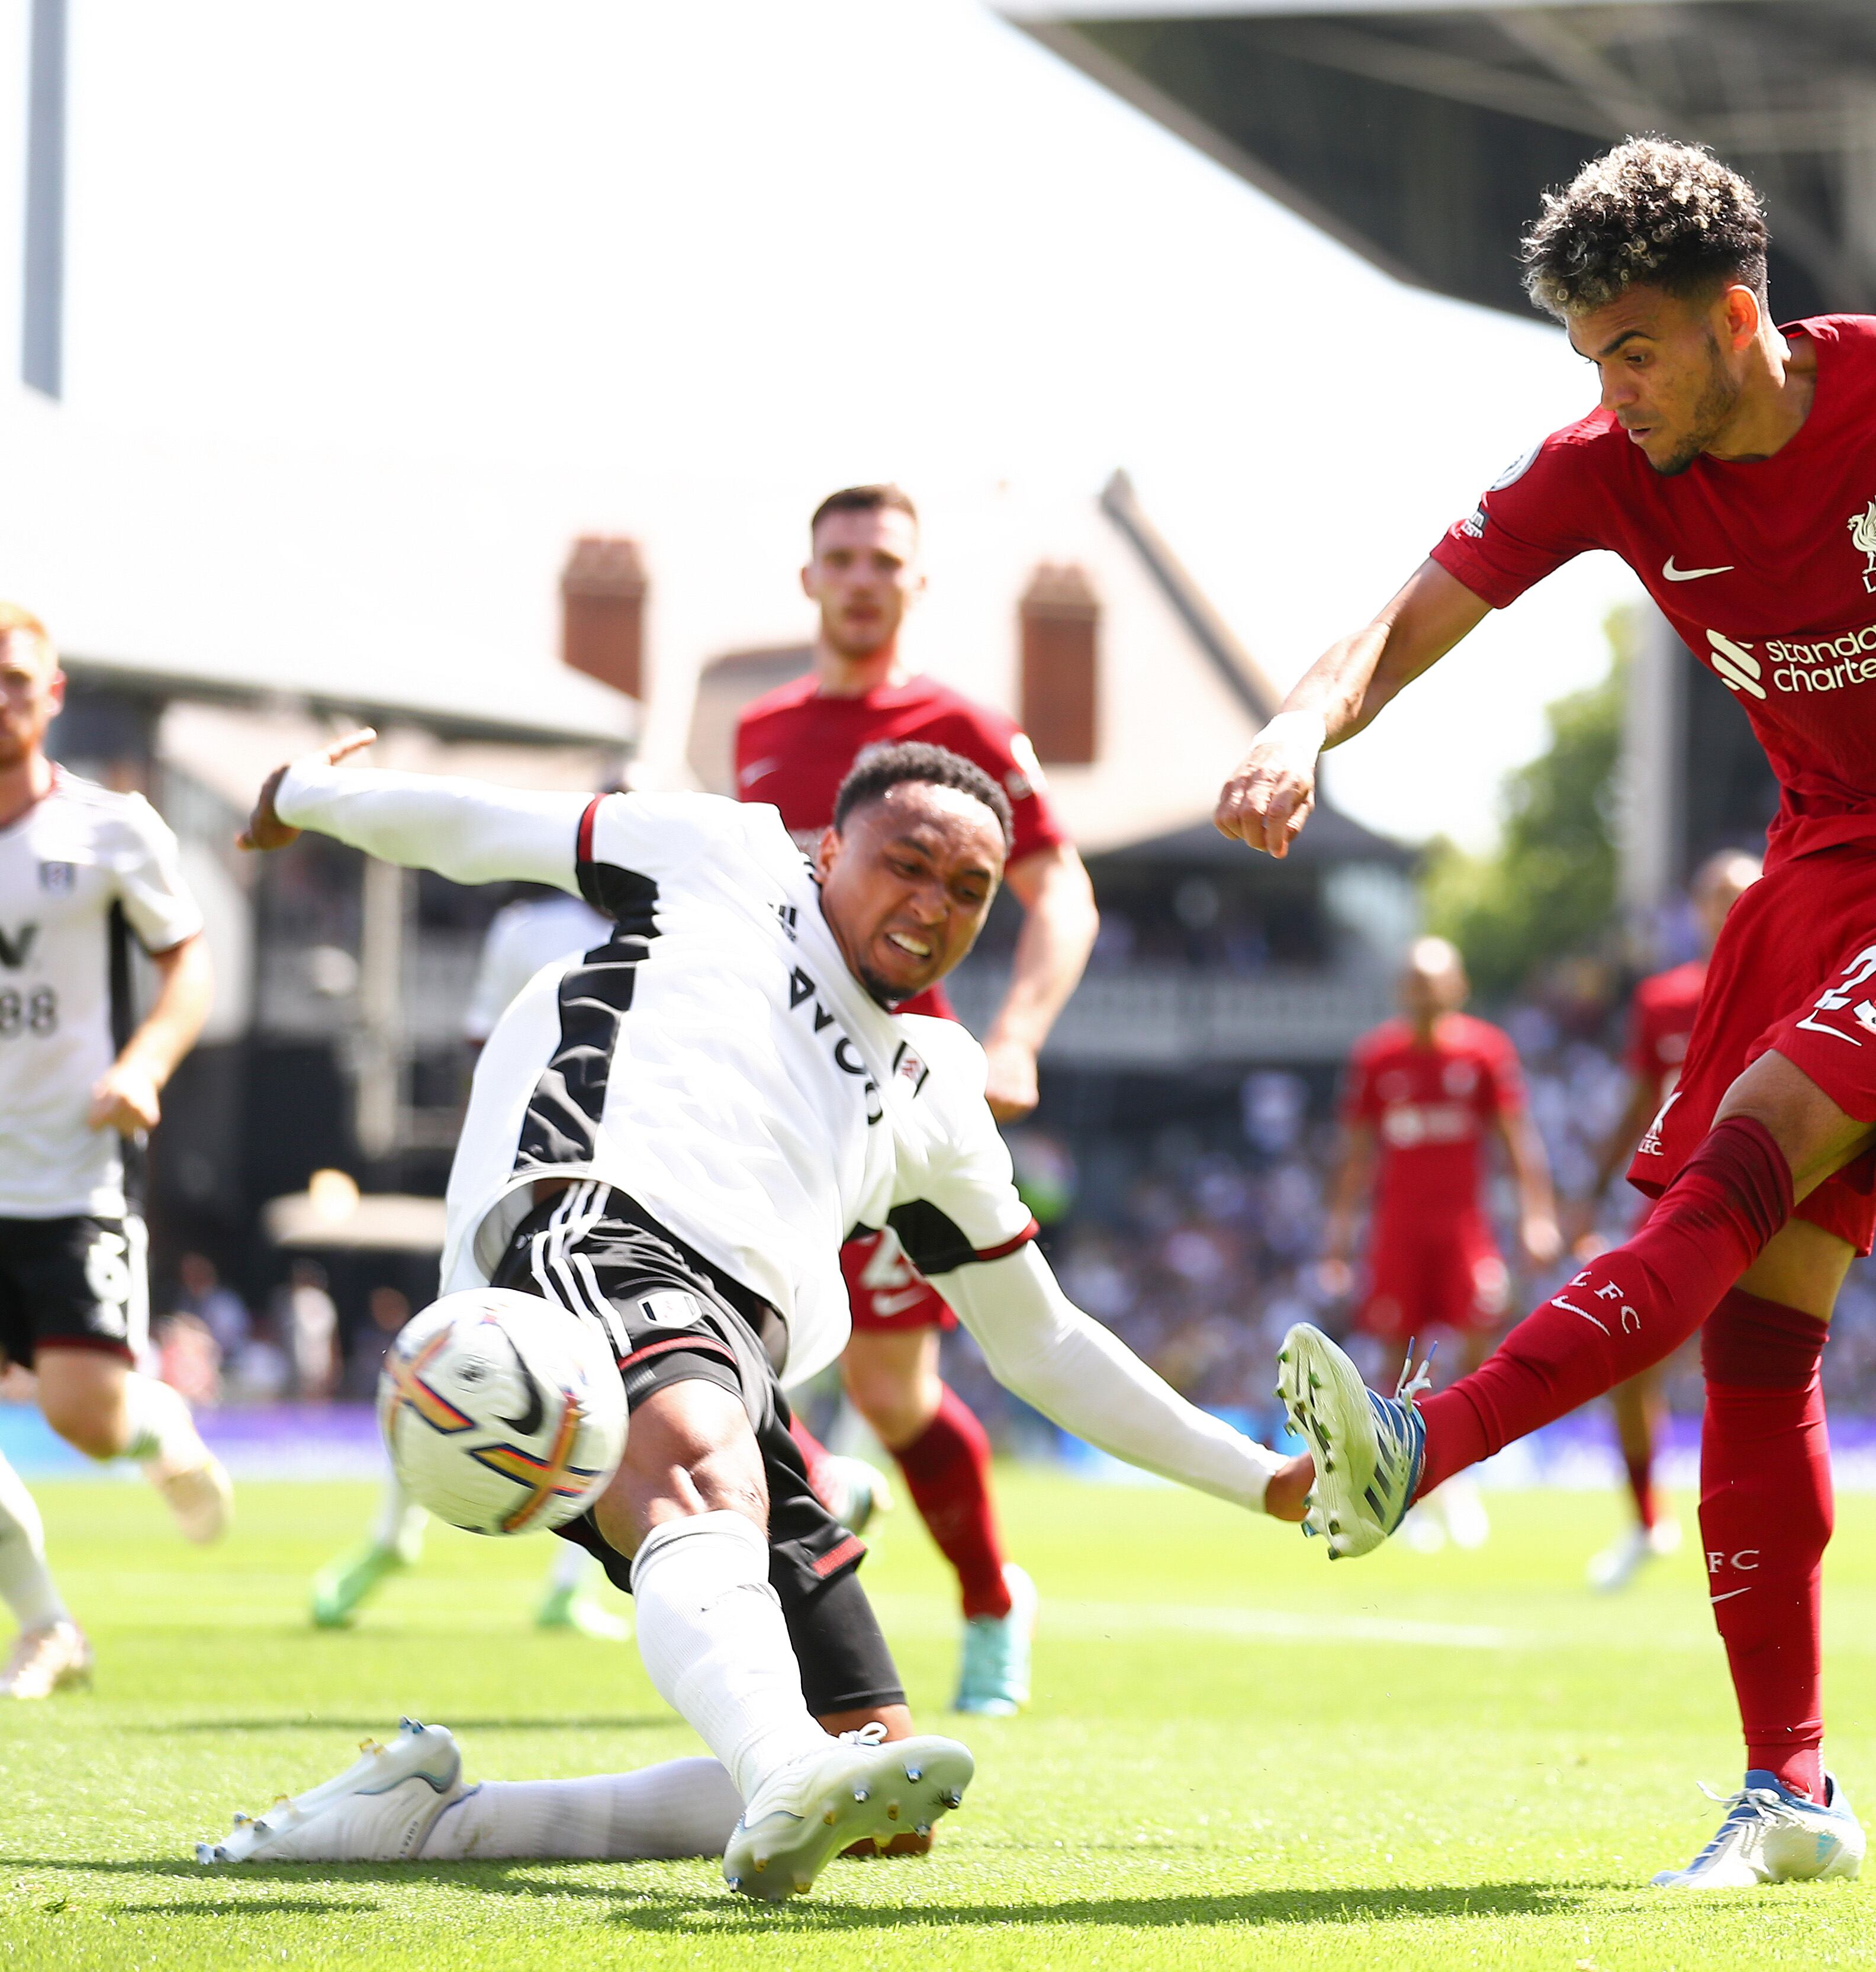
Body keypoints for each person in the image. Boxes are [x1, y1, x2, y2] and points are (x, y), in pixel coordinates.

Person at [1218, 137, 1876, 1888]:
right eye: (1582, 358)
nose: (1606, 390)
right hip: (1807, 877)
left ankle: (1428, 1441)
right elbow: (1413, 610)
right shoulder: (1603, 464)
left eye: (1631, 349)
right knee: (1754, 1334)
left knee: (1747, 1154)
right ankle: (1790, 1793)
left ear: (1736, 318)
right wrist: (1298, 728)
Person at [215, 732, 1305, 1895]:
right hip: (595, 1229)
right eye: (906, 861)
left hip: (740, 1360)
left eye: (967, 889)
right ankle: (784, 1768)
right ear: (826, 845)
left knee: (879, 1780)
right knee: (699, 1477)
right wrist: (303, 792)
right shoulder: (723, 852)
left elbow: (1044, 1342)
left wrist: (1262, 1479)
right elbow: (484, 827)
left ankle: (430, 1823)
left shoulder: (936, 1085)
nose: (929, 903)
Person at [734, 482, 1100, 1715]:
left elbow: (1062, 895)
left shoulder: (964, 728)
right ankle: (795, 1614)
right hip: (763, 1096)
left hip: (896, 1102)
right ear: (807, 578)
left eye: (882, 559)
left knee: (894, 1395)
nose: (859, 578)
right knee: (730, 1363)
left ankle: (993, 1600)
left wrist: (1014, 1040)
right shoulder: (759, 732)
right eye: (838, 557)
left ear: (913, 584)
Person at [0, 603, 230, 1701]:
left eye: (14, 679)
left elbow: (190, 965)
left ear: (52, 693)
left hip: (70, 1170)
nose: (0, 701)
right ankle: (47, 1624)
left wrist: (143, 1064)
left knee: (81, 1416)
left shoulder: (110, 830)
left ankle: (155, 1424)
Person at [310, 883, 636, 1638]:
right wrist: (484, 1149)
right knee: (440, 1345)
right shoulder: (527, 930)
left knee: (608, 1371)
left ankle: (570, 1582)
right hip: (516, 1167)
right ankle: (393, 1533)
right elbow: (483, 1044)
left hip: (622, 1175)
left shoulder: (688, 931)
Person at [1318, 935, 1559, 1550]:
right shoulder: (1377, 1059)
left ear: (1457, 987)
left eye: (1434, 982)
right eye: (1413, 983)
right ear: (1401, 990)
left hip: (1461, 1231)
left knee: (1477, 1347)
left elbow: (1515, 1138)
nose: (1423, 994)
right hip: (1396, 1231)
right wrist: (1337, 1243)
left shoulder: (1483, 1053)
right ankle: (1405, 1492)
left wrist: (1536, 1214)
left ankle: (1455, 1474)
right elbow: (1353, 1157)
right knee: (1393, 1359)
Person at [1580, 849, 1759, 1591]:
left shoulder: (1802, 984)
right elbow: (1635, 1104)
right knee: (1629, 1368)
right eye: (1714, 892)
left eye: (1742, 892)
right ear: (1693, 907)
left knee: (1750, 1375)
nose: (1727, 904)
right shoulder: (1661, 1000)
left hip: (1763, 1204)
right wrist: (1589, 1196)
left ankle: (1752, 1539)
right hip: (1672, 1209)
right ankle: (1646, 1522)